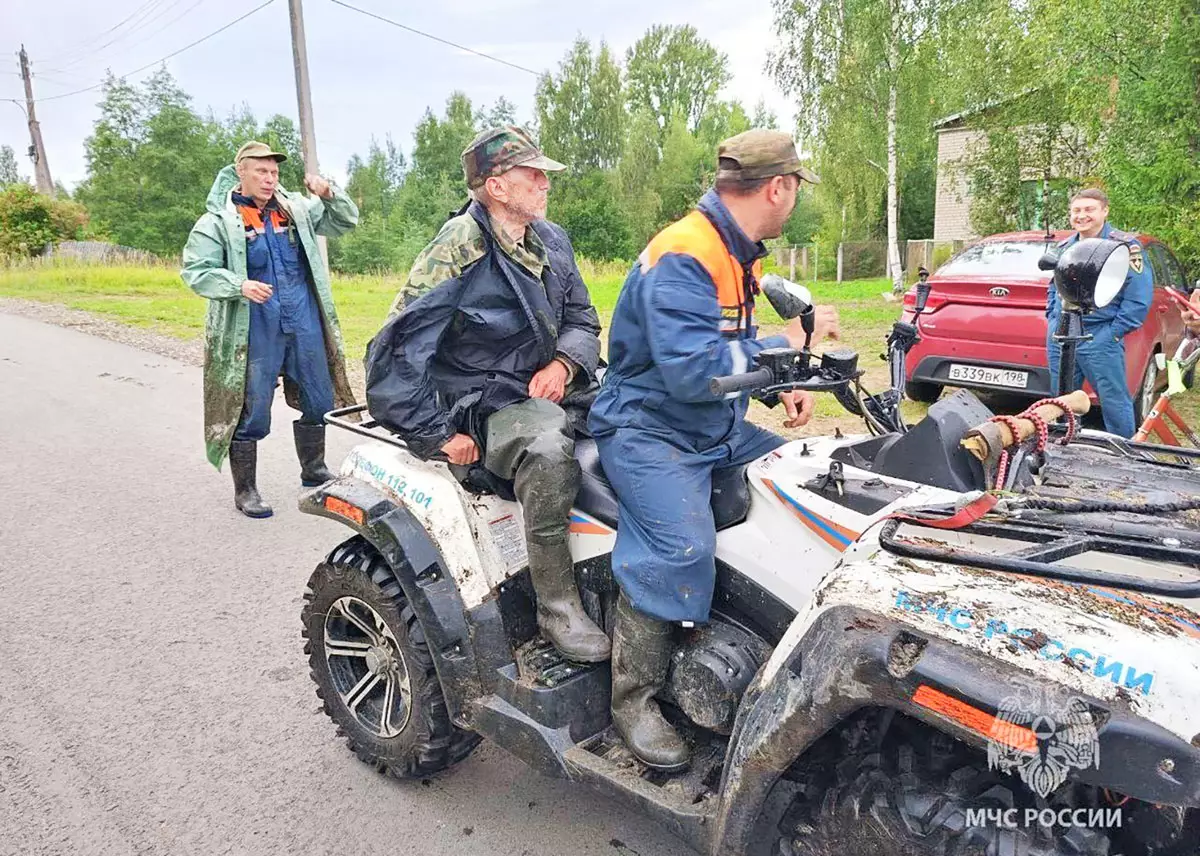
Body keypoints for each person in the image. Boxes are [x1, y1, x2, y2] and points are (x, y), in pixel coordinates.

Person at [588, 129, 839, 771]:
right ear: (778, 188)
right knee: (679, 546)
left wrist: (779, 388)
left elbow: (727, 355)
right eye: (796, 190)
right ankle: (633, 702)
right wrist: (780, 348)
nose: (795, 202)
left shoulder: (738, 250)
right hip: (649, 430)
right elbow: (690, 371)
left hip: (711, 429)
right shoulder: (686, 251)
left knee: (809, 485)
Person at [365, 126, 611, 664]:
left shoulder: (552, 239)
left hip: (554, 386)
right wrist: (435, 434)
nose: (546, 183)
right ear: (497, 187)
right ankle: (557, 606)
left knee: (642, 412)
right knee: (548, 453)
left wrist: (564, 363)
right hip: (485, 403)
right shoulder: (459, 246)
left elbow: (583, 318)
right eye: (534, 174)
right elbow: (396, 351)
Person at [181, 141, 360, 518]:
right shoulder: (218, 221)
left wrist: (329, 193)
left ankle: (314, 470)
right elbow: (196, 272)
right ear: (241, 172)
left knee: (319, 398)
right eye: (261, 171)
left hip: (303, 318)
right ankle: (245, 490)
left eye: (274, 172)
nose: (269, 179)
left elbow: (346, 221)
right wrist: (238, 285)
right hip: (253, 324)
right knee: (251, 406)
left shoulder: (295, 210)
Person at [1045, 188, 1152, 437]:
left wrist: (1113, 333)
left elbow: (1138, 298)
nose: (1082, 216)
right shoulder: (1064, 247)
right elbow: (1053, 288)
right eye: (1077, 210)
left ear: (1105, 211)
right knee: (1060, 401)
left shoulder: (1124, 248)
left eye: (1089, 209)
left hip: (1100, 335)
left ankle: (1123, 454)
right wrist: (1052, 319)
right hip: (1063, 333)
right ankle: (1064, 448)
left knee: (1114, 401)